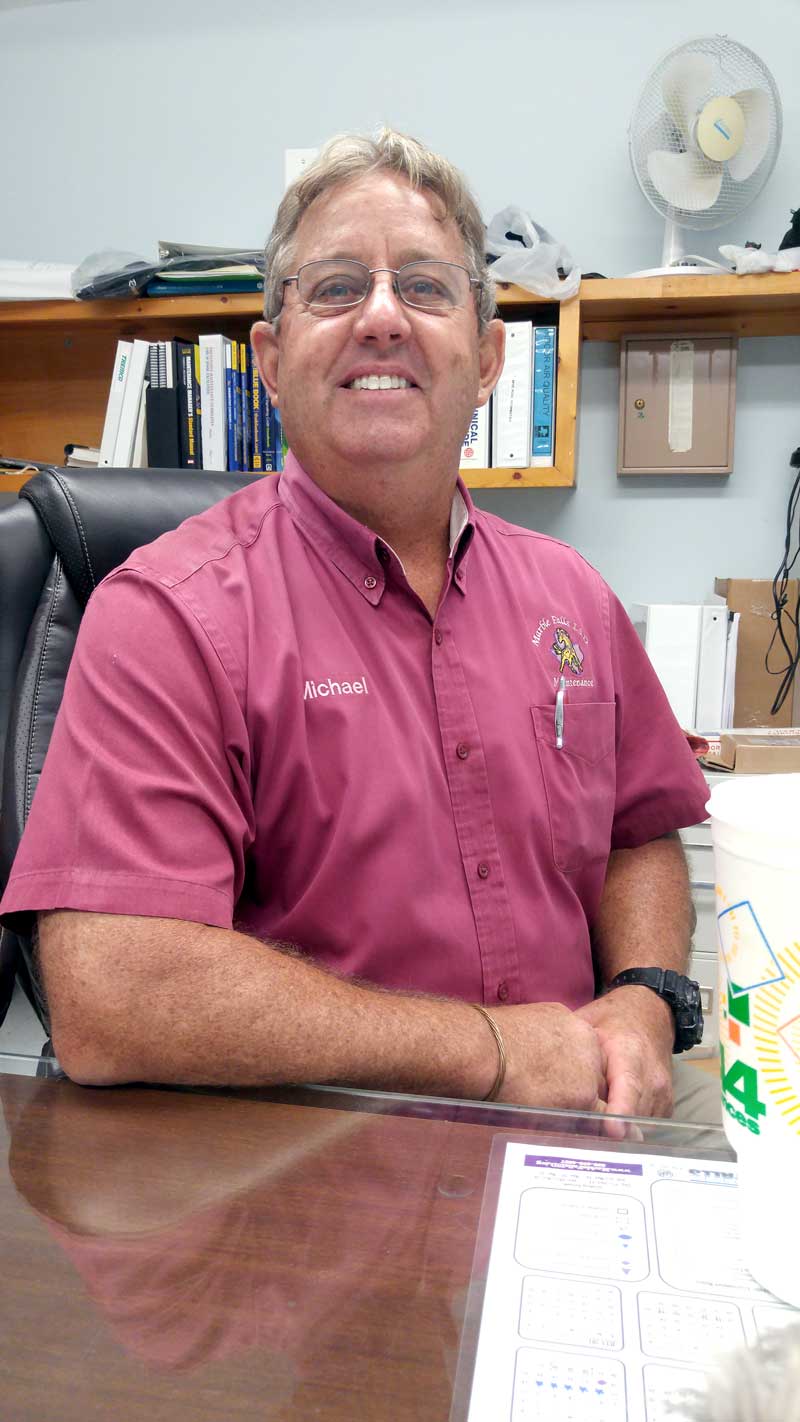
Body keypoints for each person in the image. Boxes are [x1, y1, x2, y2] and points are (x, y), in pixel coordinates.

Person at [0, 128, 716, 1124]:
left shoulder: (572, 599)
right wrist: (488, 1050)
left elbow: (640, 830)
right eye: (335, 287)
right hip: (307, 1192)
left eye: (423, 287)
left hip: (569, 1156)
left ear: (488, 358)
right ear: (270, 357)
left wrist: (644, 995)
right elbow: (114, 993)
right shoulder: (166, 614)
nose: (381, 316)